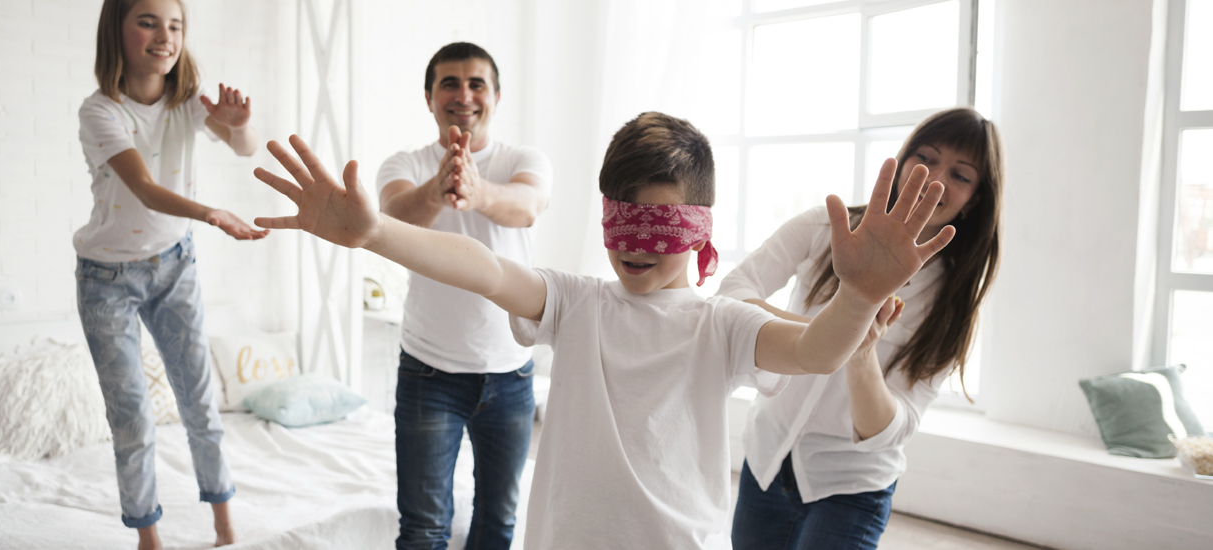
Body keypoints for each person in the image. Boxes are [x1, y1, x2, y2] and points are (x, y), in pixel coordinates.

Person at [250, 111, 954, 549]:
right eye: (622, 219)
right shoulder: (577, 303)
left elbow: (814, 349)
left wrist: (859, 295)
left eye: (660, 223)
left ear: (700, 229)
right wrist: (377, 232)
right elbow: (484, 269)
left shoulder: (722, 325)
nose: (636, 242)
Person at [723, 107, 1003, 550]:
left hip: (852, 488)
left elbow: (890, 430)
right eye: (926, 157)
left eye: (960, 175)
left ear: (975, 201)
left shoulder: (951, 303)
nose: (935, 177)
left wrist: (858, 352)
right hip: (765, 460)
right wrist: (835, 329)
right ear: (902, 160)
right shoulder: (826, 227)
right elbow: (734, 291)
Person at [74, 1, 268, 548]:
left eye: (176, 25)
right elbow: (143, 187)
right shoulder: (101, 112)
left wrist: (240, 124)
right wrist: (210, 213)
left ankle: (226, 528)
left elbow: (244, 147)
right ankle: (148, 536)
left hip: (174, 266)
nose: (165, 36)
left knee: (200, 402)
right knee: (133, 417)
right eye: (148, 21)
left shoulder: (186, 102)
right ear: (118, 29)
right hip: (107, 280)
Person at [373, 42, 552, 550]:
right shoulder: (403, 163)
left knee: (497, 523)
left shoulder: (524, 159)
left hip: (511, 373)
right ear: (429, 97)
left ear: (496, 95)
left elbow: (528, 205)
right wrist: (440, 185)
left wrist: (478, 192)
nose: (464, 94)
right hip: (430, 374)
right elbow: (394, 220)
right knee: (424, 527)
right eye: (449, 83)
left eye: (477, 83)